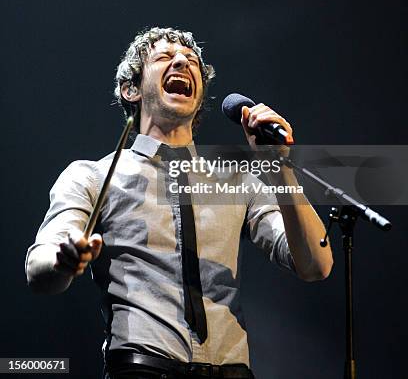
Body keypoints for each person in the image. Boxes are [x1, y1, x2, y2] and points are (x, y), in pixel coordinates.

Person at [26, 26, 333, 379]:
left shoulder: (237, 181)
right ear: (131, 89)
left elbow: (316, 265)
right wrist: (64, 259)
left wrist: (279, 168)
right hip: (143, 370)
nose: (182, 63)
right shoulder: (93, 175)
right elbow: (39, 268)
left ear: (200, 97)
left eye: (191, 61)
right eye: (164, 57)